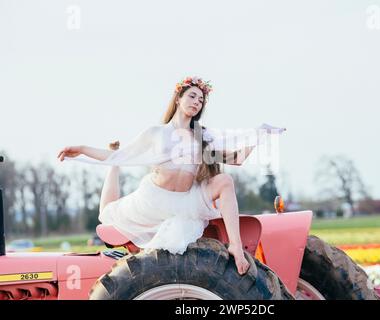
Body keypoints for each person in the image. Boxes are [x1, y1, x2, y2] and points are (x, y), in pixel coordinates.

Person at [57, 76, 286, 275]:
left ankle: (236, 247)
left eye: (201, 100)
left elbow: (236, 159)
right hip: (154, 200)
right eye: (192, 96)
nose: (197, 102)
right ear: (178, 98)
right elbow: (121, 156)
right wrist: (82, 149)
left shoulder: (202, 136)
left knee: (225, 180)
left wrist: (260, 135)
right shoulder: (156, 133)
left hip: (187, 201)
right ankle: (112, 173)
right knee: (107, 212)